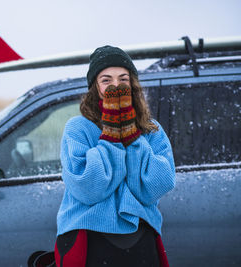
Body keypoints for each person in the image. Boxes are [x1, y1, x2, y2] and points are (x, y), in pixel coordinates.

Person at [54, 45, 176, 267]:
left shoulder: (151, 130)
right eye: (106, 80)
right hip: (89, 237)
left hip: (141, 239)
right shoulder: (78, 129)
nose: (116, 86)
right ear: (95, 87)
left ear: (133, 84)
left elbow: (155, 187)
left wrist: (131, 135)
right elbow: (88, 189)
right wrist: (111, 134)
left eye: (123, 79)